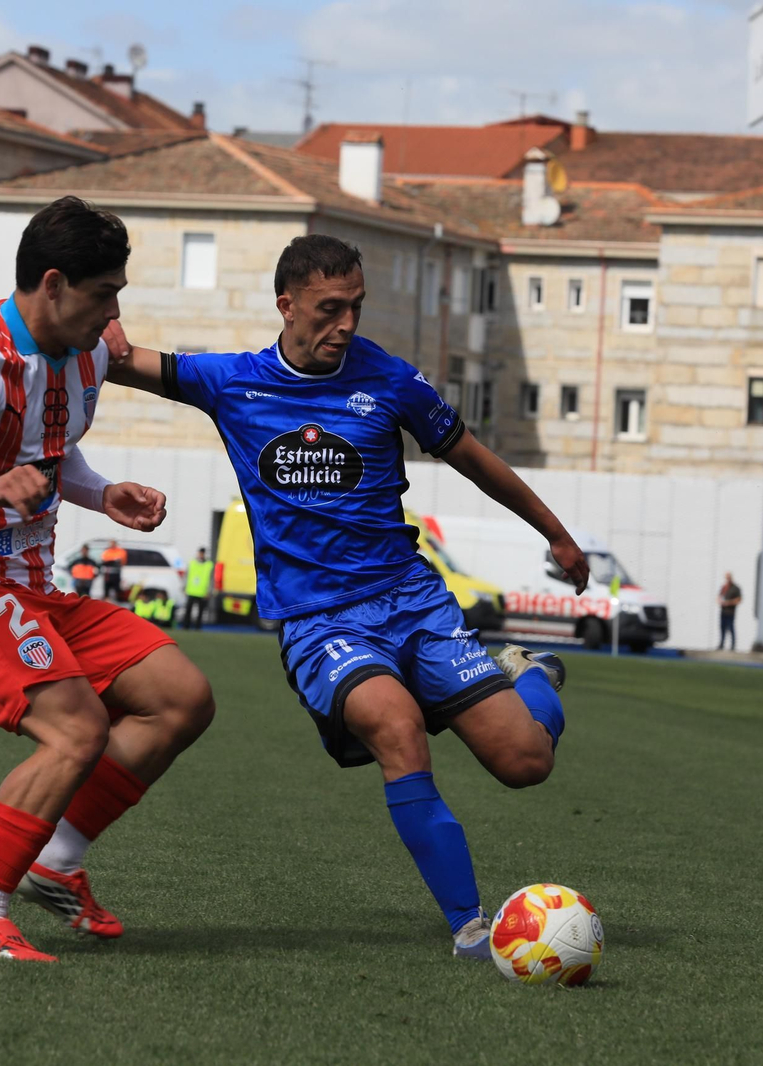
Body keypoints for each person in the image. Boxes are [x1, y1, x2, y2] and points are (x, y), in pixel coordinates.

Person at [104, 234, 587, 959]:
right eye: (331, 309)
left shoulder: (389, 380)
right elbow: (116, 358)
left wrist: (557, 533)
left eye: (355, 307)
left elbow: (476, 460)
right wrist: (99, 327)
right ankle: (470, 927)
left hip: (411, 603)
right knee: (397, 729)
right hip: (319, 620)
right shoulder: (230, 381)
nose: (347, 324)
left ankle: (533, 679)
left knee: (525, 764)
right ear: (287, 305)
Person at [0, 196, 215, 964]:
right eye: (104, 292)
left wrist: (100, 492)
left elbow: (51, 449)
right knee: (77, 730)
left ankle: (55, 859)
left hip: (35, 593)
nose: (115, 313)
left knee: (182, 698)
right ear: (51, 284)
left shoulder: (88, 349)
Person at [183, 547, 212, 630]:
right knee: (188, 610)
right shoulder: (192, 563)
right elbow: (186, 576)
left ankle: (197, 627)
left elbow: (210, 579)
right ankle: (186, 626)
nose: (201, 555)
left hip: (202, 592)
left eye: (202, 553)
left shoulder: (209, 565)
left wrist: (209, 591)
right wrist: (184, 588)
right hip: (191, 591)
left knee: (200, 612)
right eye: (200, 553)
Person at [717, 573, 742, 650]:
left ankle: (733, 645)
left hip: (730, 612)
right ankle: (721, 644)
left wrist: (728, 602)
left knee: (731, 628)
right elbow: (719, 597)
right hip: (723, 612)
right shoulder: (724, 587)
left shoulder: (735, 588)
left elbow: (738, 600)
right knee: (722, 628)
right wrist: (721, 602)